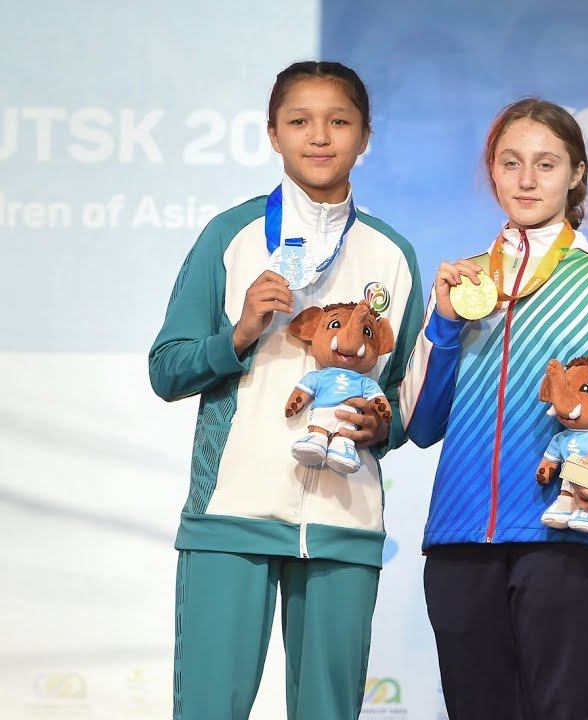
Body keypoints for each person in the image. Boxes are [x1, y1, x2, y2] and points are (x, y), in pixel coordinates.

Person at [149, 61, 424, 719]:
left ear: (366, 135)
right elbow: (167, 369)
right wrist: (241, 333)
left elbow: (404, 395)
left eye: (339, 121)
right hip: (232, 514)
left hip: (343, 522)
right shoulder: (232, 236)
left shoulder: (391, 254)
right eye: (300, 121)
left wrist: (384, 426)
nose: (319, 136)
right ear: (273, 133)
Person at [401, 97, 588, 719]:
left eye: (546, 164)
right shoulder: (463, 283)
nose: (525, 180)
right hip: (460, 539)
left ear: (576, 174)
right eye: (510, 162)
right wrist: (443, 325)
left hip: (563, 538)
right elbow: (420, 423)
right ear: (492, 170)